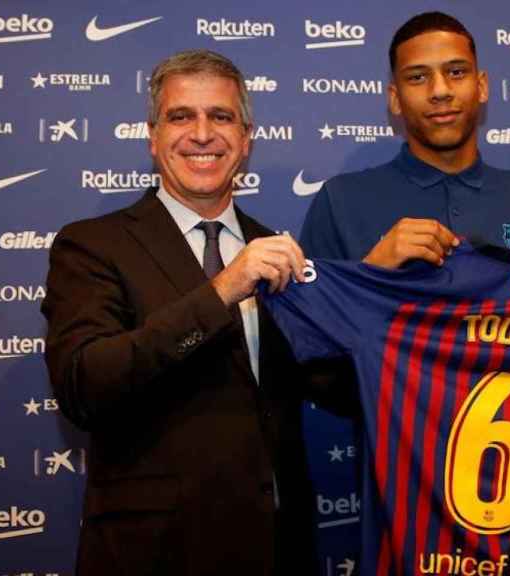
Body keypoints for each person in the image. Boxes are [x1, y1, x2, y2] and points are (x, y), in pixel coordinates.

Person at [41, 49, 313, 575]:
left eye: (222, 116)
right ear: (152, 135)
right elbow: (84, 384)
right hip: (151, 553)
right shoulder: (92, 245)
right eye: (181, 116)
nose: (203, 133)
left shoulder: (274, 249)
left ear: (247, 138)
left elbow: (322, 383)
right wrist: (223, 290)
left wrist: (382, 285)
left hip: (275, 549)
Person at [300, 11, 510, 269]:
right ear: (394, 98)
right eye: (418, 77)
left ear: (481, 86)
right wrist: (373, 269)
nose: (440, 91)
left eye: (456, 72)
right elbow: (308, 334)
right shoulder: (340, 201)